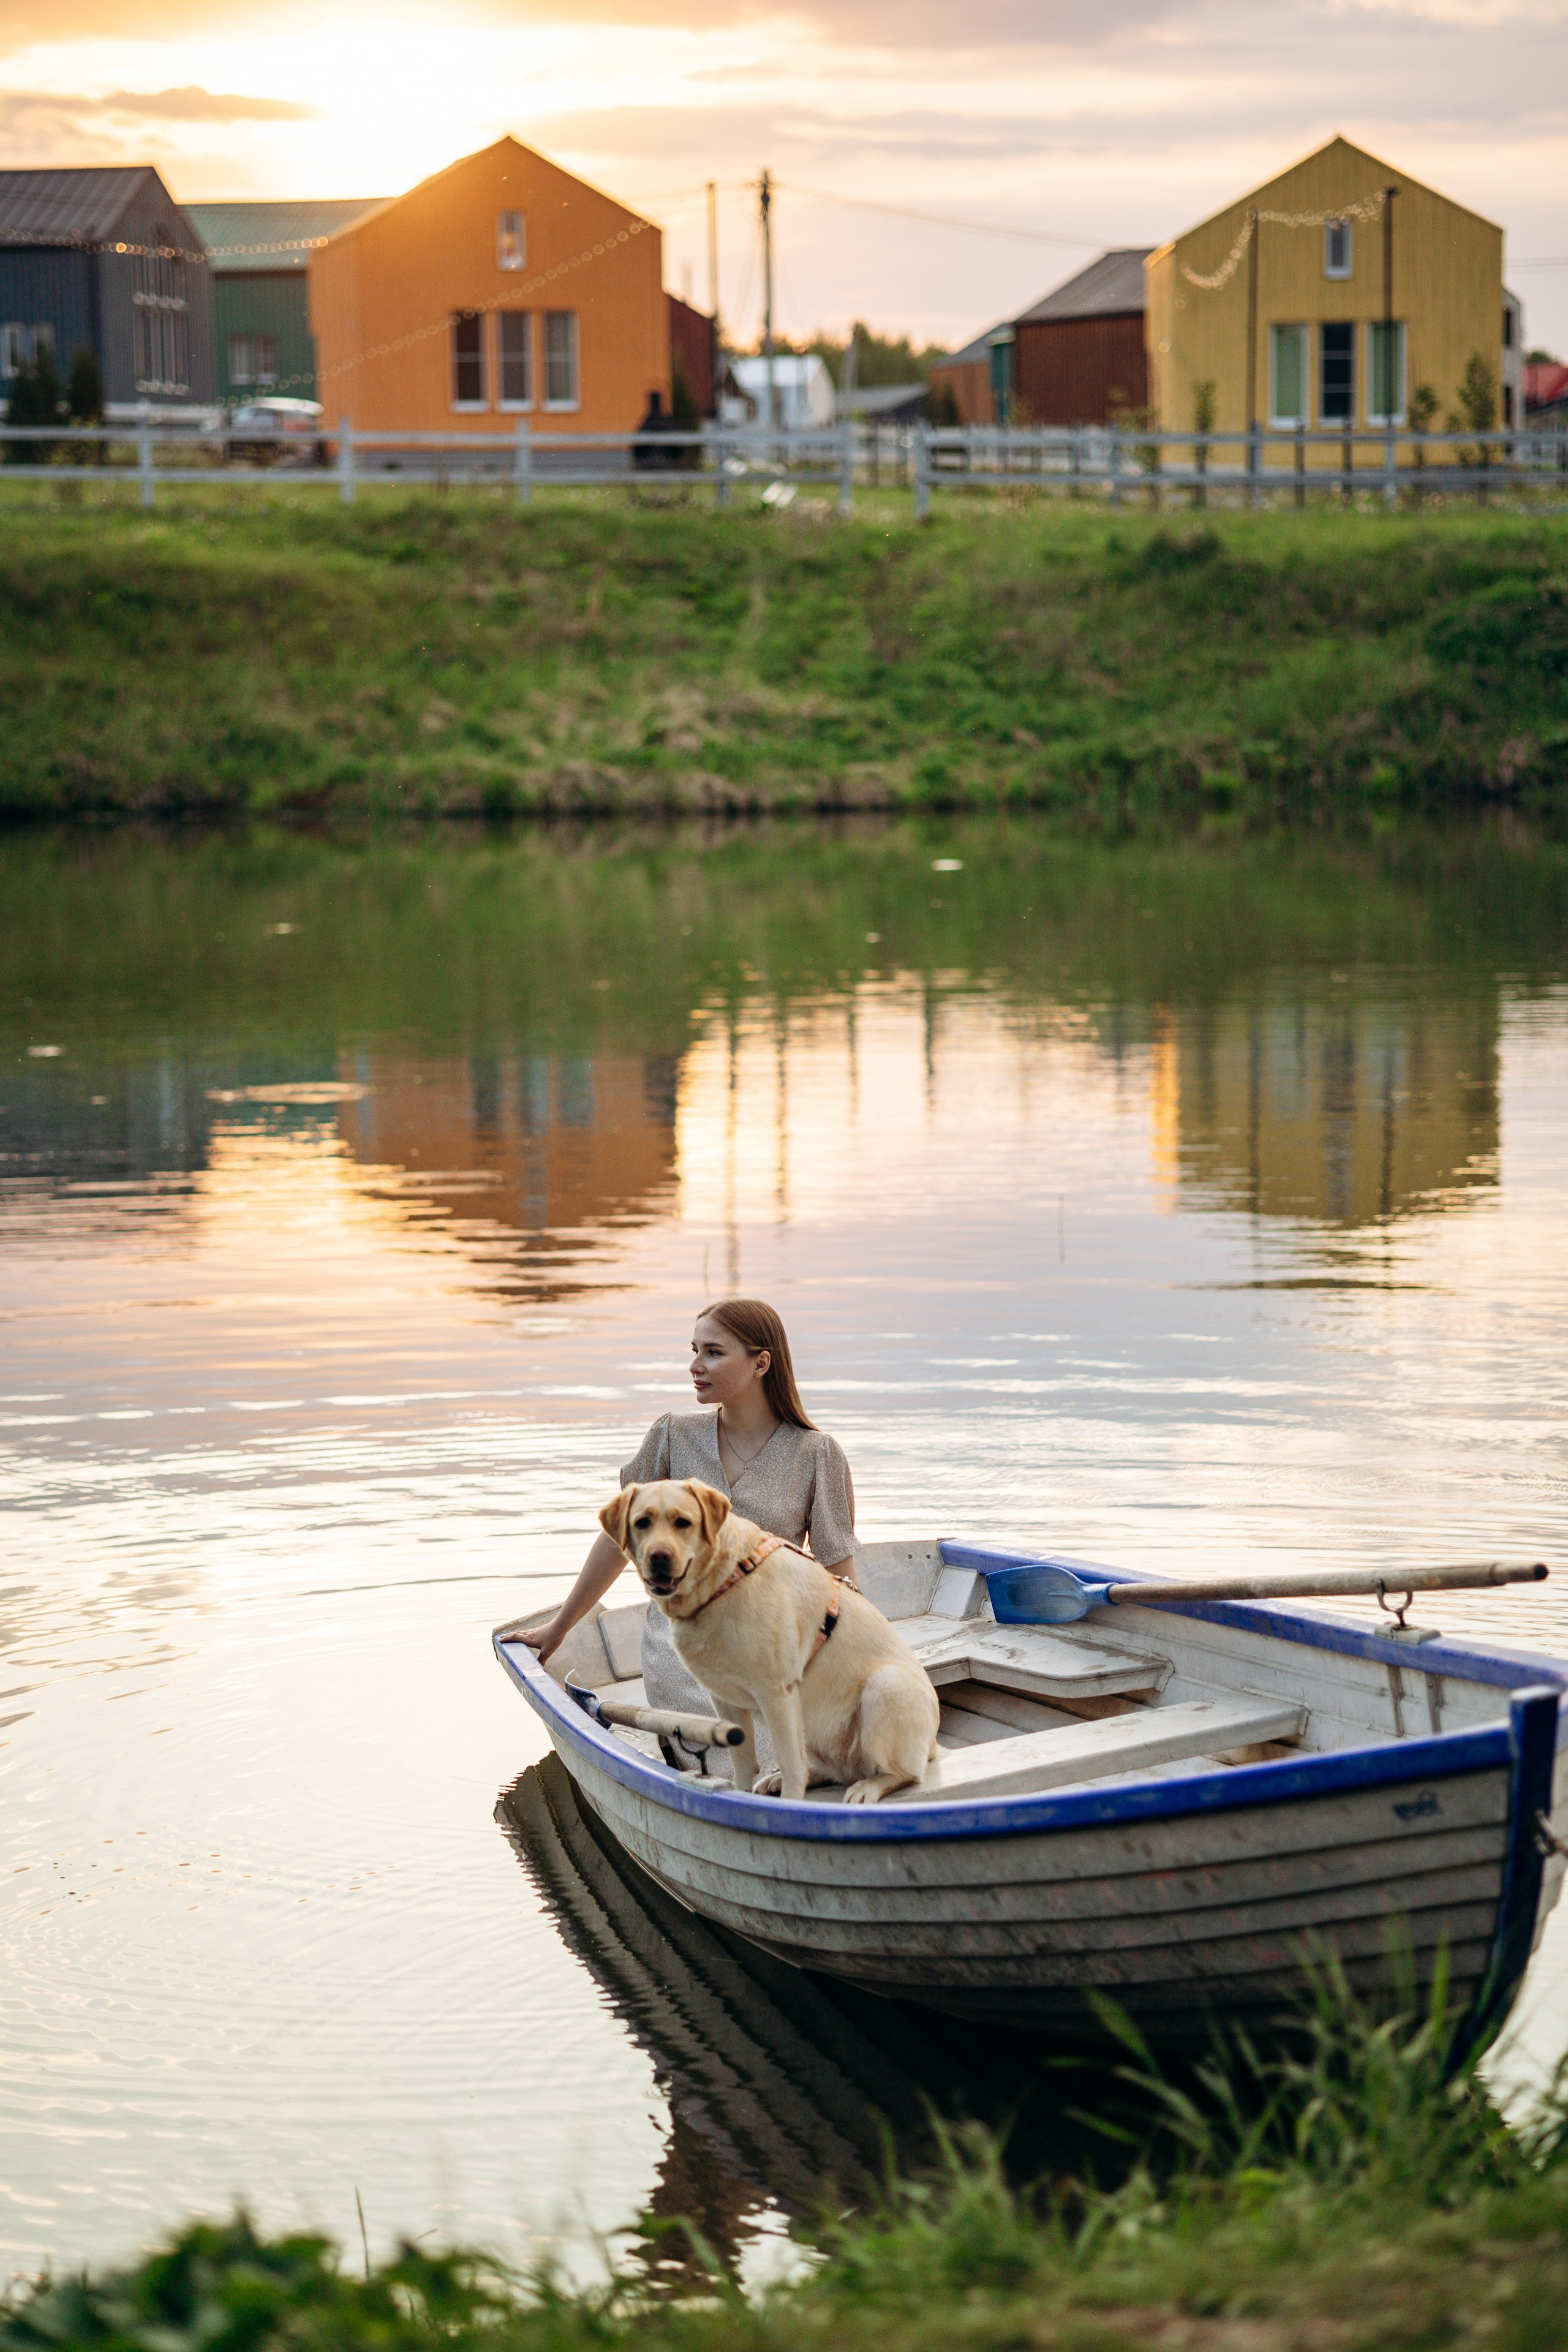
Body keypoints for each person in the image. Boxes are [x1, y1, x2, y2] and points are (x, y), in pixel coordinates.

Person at [514, 1298, 856, 1717]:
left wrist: (853, 1671)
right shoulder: (672, 1437)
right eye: (695, 1351)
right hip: (682, 1656)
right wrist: (560, 1628)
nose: (695, 1366)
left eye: (713, 1353)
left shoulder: (817, 1455)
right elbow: (617, 1541)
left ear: (761, 1364)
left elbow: (840, 1577)